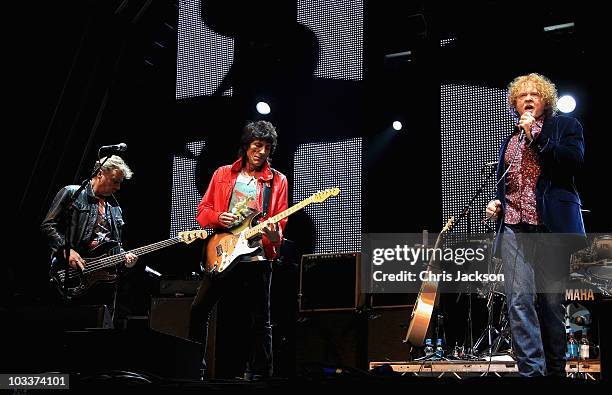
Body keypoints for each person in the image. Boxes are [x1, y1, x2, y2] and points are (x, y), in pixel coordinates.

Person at [485, 73, 586, 377]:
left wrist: (536, 136)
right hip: (515, 226)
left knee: (551, 306)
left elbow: (572, 161)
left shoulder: (566, 126)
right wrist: (497, 203)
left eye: (535, 94)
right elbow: (512, 184)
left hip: (550, 228)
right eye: (522, 95)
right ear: (514, 103)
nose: (528, 99)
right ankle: (533, 374)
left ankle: (555, 372)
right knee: (519, 302)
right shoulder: (510, 140)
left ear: (546, 100)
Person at [190, 120, 289, 380]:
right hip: (223, 252)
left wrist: (273, 234)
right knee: (199, 310)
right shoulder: (223, 174)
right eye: (258, 146)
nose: (262, 152)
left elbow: (279, 224)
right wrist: (216, 218)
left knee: (260, 321)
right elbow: (203, 212)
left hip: (256, 256)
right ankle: (193, 369)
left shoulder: (277, 181)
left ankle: (261, 375)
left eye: (268, 147)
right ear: (246, 147)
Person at [41, 155, 138, 322]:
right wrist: (66, 250)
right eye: (115, 181)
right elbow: (48, 225)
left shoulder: (115, 208)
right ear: (100, 173)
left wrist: (125, 258)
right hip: (70, 273)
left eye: (120, 182)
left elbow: (114, 244)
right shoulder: (72, 193)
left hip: (101, 282)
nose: (118, 187)